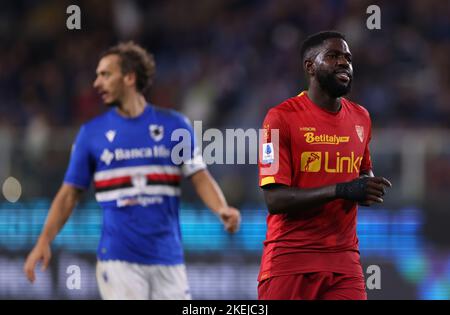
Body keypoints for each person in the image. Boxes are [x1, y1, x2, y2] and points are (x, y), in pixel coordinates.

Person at [23, 41, 241, 300]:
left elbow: (199, 175)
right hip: (118, 261)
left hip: (169, 260)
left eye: (105, 74)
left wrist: (221, 208)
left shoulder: (175, 126)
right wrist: (44, 240)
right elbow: (69, 194)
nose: (96, 83)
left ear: (129, 77)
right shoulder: (91, 134)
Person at [258, 31, 392, 300]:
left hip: (344, 262)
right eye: (333, 56)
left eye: (348, 58)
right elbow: (274, 199)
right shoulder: (279, 118)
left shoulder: (361, 117)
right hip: (291, 260)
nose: (344, 62)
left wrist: (367, 185)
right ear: (310, 66)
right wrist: (342, 190)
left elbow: (363, 168)